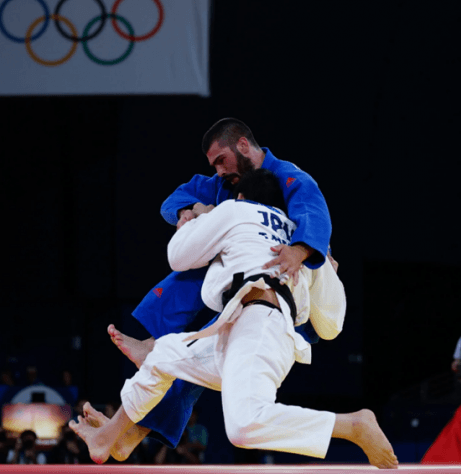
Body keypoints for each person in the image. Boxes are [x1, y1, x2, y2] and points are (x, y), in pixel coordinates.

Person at [70, 169, 397, 469]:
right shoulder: (306, 241)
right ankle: (113, 434)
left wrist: (196, 217)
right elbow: (330, 327)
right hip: (249, 329)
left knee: (243, 426)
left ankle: (350, 425)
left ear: (241, 197)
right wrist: (325, 270)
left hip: (258, 327)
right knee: (165, 355)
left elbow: (178, 256)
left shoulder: (237, 211)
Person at [107, 118, 334, 447]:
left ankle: (152, 352)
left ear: (243, 145)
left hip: (282, 292)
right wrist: (192, 209)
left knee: (205, 363)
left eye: (220, 160)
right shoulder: (224, 184)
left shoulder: (289, 177)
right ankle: (130, 433)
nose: (218, 170)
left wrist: (300, 250)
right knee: (189, 363)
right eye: (213, 165)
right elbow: (173, 200)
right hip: (240, 292)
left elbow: (314, 213)